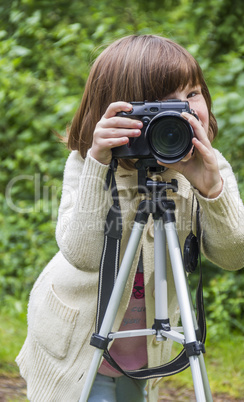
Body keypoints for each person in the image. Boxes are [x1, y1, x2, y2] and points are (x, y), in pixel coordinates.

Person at [16, 34, 244, 402]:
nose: (181, 111)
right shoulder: (87, 164)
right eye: (160, 104)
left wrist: (211, 188)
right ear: (119, 111)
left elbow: (235, 256)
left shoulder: (208, 166)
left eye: (192, 94)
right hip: (77, 347)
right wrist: (99, 163)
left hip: (143, 354)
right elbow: (85, 255)